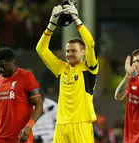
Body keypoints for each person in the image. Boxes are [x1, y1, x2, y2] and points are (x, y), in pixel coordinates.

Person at [36, 1, 99, 143]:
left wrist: (76, 19)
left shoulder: (88, 68)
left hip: (81, 124)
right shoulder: (61, 68)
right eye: (68, 51)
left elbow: (90, 43)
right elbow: (41, 49)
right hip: (60, 125)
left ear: (83, 52)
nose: (69, 54)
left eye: (74, 51)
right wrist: (52, 22)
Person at [0, 47, 43, 143]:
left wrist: (29, 126)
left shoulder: (26, 76)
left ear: (12, 62)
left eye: (2, 66)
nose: (0, 69)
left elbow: (39, 104)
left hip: (20, 135)